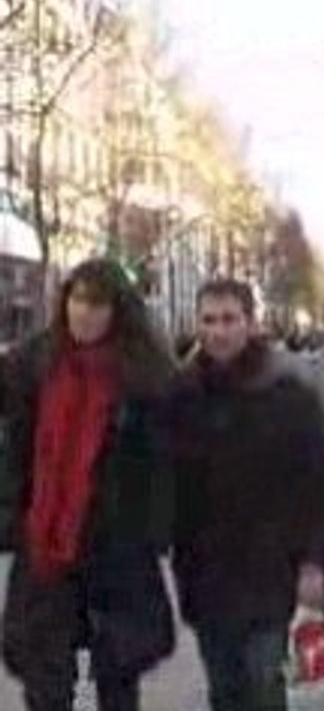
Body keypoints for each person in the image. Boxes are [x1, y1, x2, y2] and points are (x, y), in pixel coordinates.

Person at [0, 258, 176, 711]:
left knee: (117, 680)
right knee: (44, 682)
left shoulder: (147, 378)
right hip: (45, 547)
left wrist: (154, 528)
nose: (84, 313)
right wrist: (11, 516)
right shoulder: (31, 366)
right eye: (77, 299)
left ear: (118, 311)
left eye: (97, 304)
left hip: (116, 549)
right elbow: (14, 451)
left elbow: (166, 465)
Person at [167, 279, 324, 711]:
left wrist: (314, 560)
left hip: (272, 572)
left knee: (263, 686)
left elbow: (322, 482)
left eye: (229, 319)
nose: (219, 332)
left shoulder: (288, 396)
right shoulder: (182, 396)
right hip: (206, 576)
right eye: (209, 320)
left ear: (250, 323)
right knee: (224, 689)